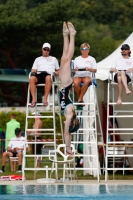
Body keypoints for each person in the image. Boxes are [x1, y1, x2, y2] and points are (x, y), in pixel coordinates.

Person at [59, 22, 79, 157]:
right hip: (65, 85)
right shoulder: (69, 114)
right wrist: (68, 149)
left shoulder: (70, 116)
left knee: (63, 58)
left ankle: (65, 35)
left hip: (63, 85)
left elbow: (68, 133)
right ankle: (72, 35)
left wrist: (69, 148)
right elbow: (66, 133)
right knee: (67, 59)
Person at [29, 42, 60, 107]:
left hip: (49, 75)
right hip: (39, 74)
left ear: (49, 51)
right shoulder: (37, 59)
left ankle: (45, 99)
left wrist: (57, 72)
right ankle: (34, 99)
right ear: (42, 49)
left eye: (47, 50)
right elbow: (33, 69)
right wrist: (34, 70)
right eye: (45, 49)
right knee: (31, 78)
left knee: (48, 78)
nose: (46, 51)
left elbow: (58, 69)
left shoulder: (54, 59)